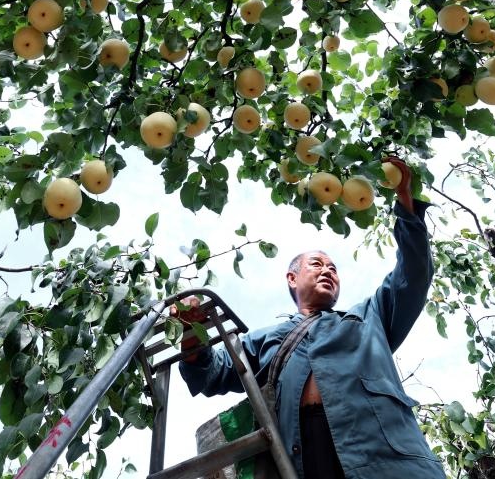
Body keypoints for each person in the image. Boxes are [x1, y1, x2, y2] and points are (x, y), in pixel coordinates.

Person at [171, 158, 446, 479]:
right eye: (317, 264)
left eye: (333, 268)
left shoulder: (370, 316)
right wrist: (191, 329)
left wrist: (405, 203)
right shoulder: (265, 340)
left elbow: (413, 276)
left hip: (385, 457)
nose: (328, 270)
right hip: (302, 461)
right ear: (292, 278)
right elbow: (208, 372)